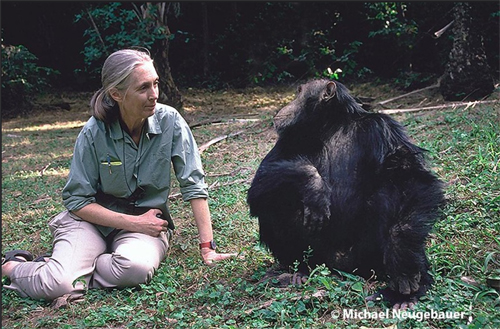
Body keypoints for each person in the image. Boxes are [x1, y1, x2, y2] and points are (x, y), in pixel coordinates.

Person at [2, 48, 236, 301]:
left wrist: (207, 248)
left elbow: (194, 184)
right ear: (116, 94)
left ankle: (69, 266)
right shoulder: (93, 132)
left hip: (145, 225)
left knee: (135, 269)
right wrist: (134, 223)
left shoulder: (171, 121)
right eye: (143, 88)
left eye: (155, 84)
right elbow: (77, 201)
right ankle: (13, 266)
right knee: (57, 285)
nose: (154, 95)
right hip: (92, 222)